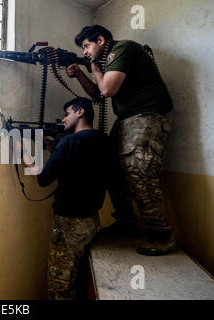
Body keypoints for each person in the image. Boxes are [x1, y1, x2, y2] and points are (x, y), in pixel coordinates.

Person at [66, 25, 176, 256]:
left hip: (146, 115)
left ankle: (161, 235)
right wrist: (80, 74)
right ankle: (127, 222)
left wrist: (95, 68)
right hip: (127, 119)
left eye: (87, 46)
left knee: (139, 169)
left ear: (101, 40)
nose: (85, 51)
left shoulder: (122, 49)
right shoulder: (109, 61)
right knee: (110, 166)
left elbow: (106, 89)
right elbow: (96, 94)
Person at [23, 97, 119, 300]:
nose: (64, 119)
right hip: (91, 222)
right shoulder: (105, 141)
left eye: (67, 114)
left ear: (81, 112)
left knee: (60, 286)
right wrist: (56, 151)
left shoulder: (68, 142)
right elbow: (83, 168)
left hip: (68, 224)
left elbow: (42, 179)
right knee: (82, 279)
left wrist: (21, 152)